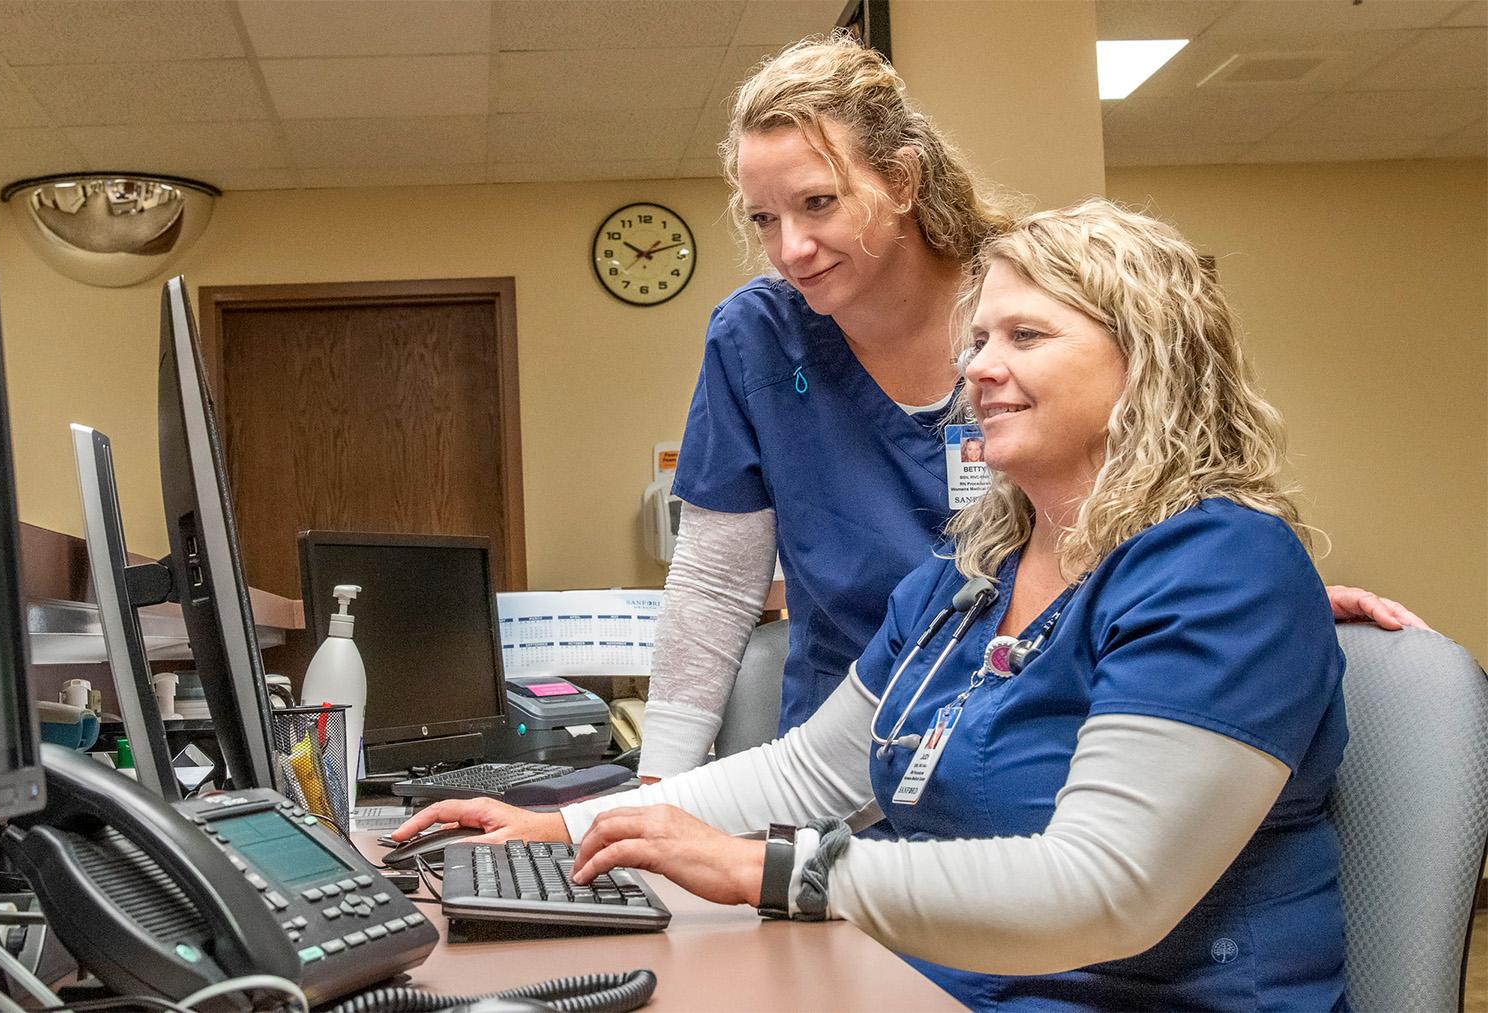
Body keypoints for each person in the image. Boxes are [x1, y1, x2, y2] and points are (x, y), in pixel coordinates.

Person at [399, 201, 1352, 1008]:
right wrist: (570, 827)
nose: (977, 367)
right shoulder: (971, 572)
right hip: (942, 981)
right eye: (979, 338)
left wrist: (767, 872)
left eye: (1026, 336)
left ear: (1150, 362)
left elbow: (1107, 888)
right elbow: (814, 773)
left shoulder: (1219, 566)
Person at [640, 33, 1424, 783]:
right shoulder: (759, 338)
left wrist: (1242, 596)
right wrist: (653, 791)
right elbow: (714, 583)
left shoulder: (1036, 294)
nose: (791, 249)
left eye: (818, 203)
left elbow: (1164, 468)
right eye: (764, 219)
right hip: (853, 739)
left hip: (1033, 736)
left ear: (904, 181)